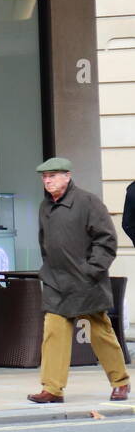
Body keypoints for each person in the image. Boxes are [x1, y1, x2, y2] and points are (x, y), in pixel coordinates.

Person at [28, 157, 130, 404]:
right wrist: (48, 269)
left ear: (67, 176)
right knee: (53, 333)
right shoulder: (45, 206)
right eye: (44, 177)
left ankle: (120, 382)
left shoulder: (88, 202)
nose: (47, 181)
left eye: (52, 176)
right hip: (56, 281)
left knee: (100, 333)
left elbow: (106, 240)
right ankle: (52, 388)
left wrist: (92, 269)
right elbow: (45, 242)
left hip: (86, 281)